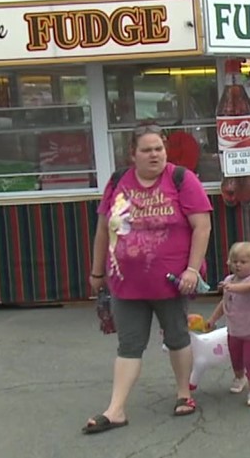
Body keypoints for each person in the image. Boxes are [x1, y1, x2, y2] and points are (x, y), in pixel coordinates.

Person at [83, 125, 213, 434]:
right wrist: (96, 272)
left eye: (159, 149)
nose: (154, 155)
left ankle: (184, 394)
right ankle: (115, 410)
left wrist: (192, 270)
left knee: (177, 336)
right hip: (125, 283)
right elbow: (103, 229)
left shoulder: (181, 179)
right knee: (129, 344)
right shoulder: (117, 182)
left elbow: (202, 226)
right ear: (133, 154)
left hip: (171, 282)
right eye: (146, 150)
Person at [206, 241, 250, 407]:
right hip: (234, 330)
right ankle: (240, 377)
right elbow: (224, 303)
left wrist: (231, 287)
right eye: (235, 261)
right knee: (236, 358)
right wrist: (212, 319)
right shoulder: (229, 280)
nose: (238, 265)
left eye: (243, 262)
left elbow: (248, 288)